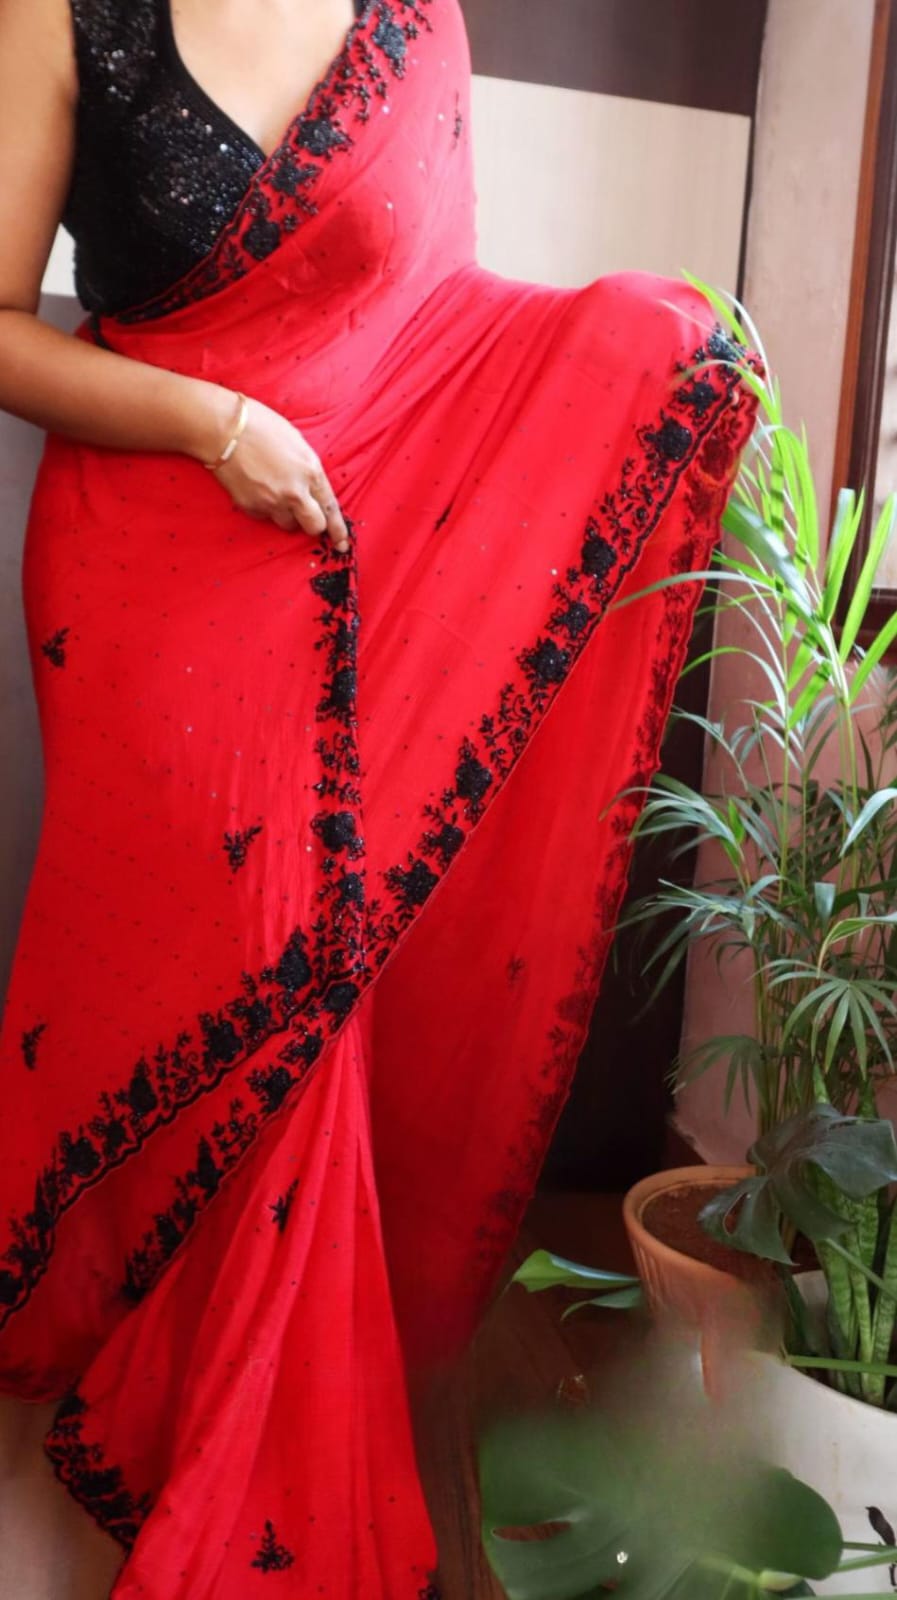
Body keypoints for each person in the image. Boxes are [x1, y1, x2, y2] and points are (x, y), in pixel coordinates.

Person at [0, 0, 760, 1594]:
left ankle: (219, 1432)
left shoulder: (408, 20)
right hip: (146, 569)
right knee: (190, 981)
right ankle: (123, 1357)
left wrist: (637, 343)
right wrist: (218, 423)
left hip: (335, 559)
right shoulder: (60, 16)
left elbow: (442, 329)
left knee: (308, 992)